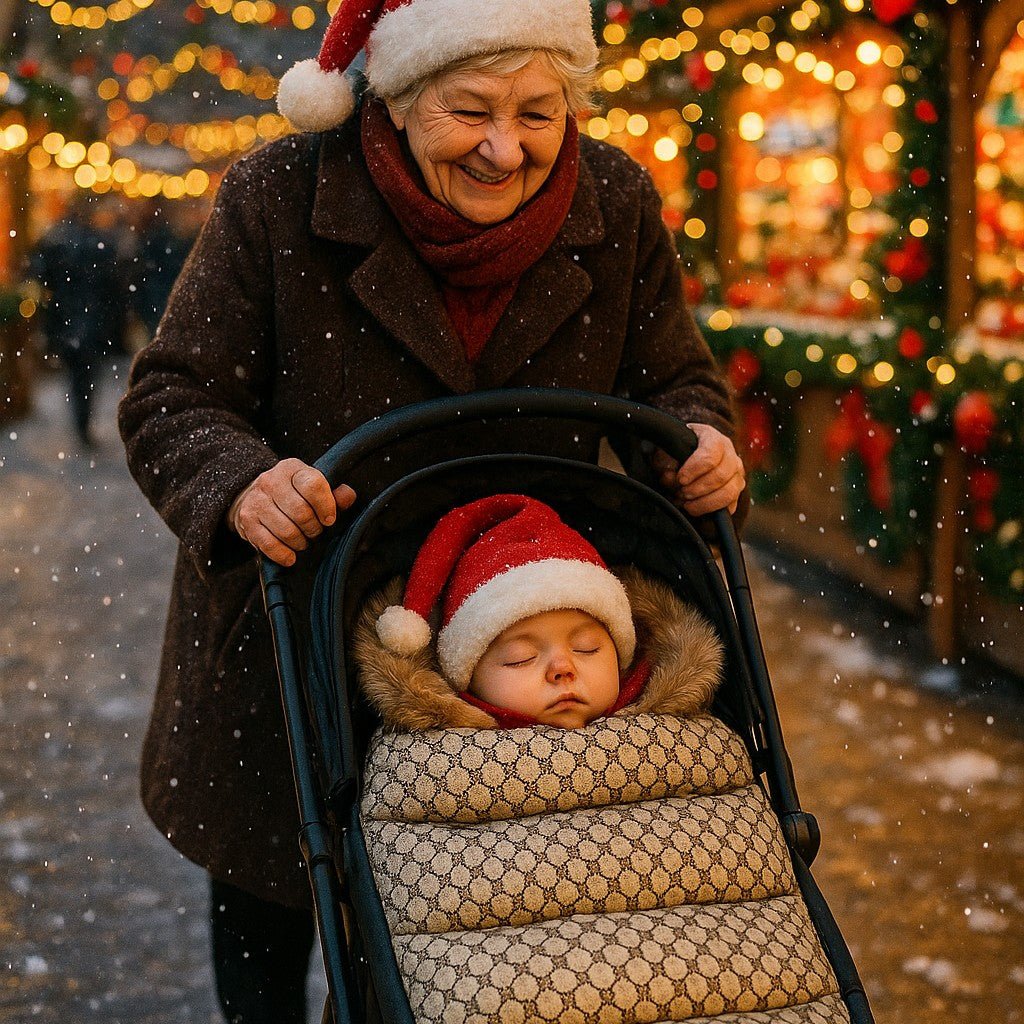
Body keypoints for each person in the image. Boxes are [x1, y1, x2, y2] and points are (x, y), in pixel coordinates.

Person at [117, 0, 746, 1019]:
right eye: (471, 111)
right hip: (302, 638)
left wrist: (698, 445)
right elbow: (173, 395)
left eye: (538, 113)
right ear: (400, 98)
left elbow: (672, 381)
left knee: (499, 953)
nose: (506, 149)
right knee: (276, 922)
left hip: (521, 641)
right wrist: (242, 483)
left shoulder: (615, 198)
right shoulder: (280, 194)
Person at [351, 498, 843, 1021]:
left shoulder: (686, 736)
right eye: (520, 656)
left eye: (588, 648)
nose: (563, 667)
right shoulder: (428, 763)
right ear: (464, 680)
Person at [29, 195, 125, 445]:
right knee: (86, 374)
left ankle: (80, 420)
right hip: (89, 320)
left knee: (78, 374)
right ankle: (83, 421)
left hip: (69, 318)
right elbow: (113, 287)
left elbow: (42, 276)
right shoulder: (98, 244)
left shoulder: (58, 241)